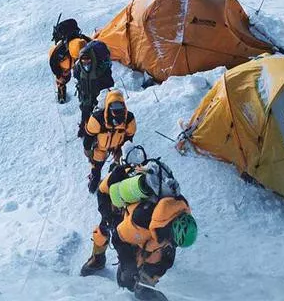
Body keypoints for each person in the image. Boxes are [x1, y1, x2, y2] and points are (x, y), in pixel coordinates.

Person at [111, 161, 197, 294]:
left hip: (153, 235)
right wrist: (128, 264)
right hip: (135, 233)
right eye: (173, 241)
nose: (172, 244)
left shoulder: (181, 208)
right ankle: (131, 279)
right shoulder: (142, 220)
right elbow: (118, 237)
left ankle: (146, 282)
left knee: (165, 259)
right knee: (126, 280)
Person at [81, 144, 149, 276]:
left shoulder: (148, 176)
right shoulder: (117, 174)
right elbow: (102, 192)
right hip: (115, 212)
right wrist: (107, 215)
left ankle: (133, 267)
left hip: (135, 216)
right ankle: (98, 259)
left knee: (134, 241)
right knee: (102, 232)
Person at [83, 89, 137, 193]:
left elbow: (129, 136)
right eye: (114, 107)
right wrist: (87, 149)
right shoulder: (98, 119)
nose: (117, 111)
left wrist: (122, 150)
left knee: (118, 169)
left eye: (120, 107)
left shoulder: (129, 119)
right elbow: (89, 135)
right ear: (108, 106)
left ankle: (109, 183)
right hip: (100, 148)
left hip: (118, 147)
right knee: (96, 170)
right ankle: (93, 182)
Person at [74, 40, 113, 137]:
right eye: (84, 61)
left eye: (88, 61)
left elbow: (109, 83)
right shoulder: (78, 68)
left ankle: (98, 131)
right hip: (86, 95)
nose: (86, 63)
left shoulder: (101, 68)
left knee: (98, 113)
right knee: (85, 110)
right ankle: (84, 128)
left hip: (98, 95)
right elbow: (77, 76)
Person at [48, 19, 90, 104]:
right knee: (63, 78)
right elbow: (53, 62)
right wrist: (59, 74)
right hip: (67, 62)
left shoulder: (80, 43)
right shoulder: (60, 51)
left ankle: (65, 88)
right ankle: (61, 89)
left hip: (71, 62)